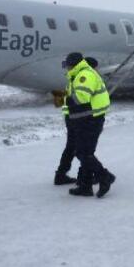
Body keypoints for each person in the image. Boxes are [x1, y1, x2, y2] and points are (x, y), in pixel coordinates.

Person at [63, 53, 115, 198]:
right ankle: (86, 186)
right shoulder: (81, 73)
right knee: (86, 152)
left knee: (82, 153)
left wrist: (64, 98)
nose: (66, 67)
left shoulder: (84, 75)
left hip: (89, 119)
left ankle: (104, 177)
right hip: (86, 118)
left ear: (72, 64)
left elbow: (81, 97)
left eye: (66, 64)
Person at [54, 57, 99, 185]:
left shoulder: (74, 77)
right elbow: (82, 98)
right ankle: (88, 176)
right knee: (84, 149)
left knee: (72, 147)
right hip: (78, 117)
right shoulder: (84, 77)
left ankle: (61, 174)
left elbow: (63, 98)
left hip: (71, 116)